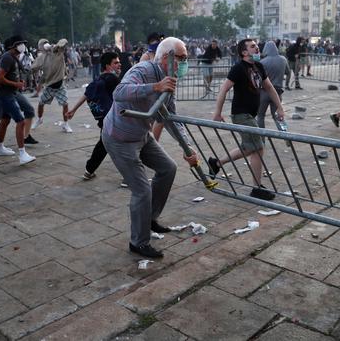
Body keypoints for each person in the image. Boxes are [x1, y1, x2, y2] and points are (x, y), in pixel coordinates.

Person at [102, 37, 198, 258]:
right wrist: (154, 87)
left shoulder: (170, 78)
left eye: (186, 59)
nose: (184, 63)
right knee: (142, 190)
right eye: (181, 58)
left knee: (168, 168)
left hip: (142, 135)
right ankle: (138, 242)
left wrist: (188, 149)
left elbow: (171, 117)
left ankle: (150, 218)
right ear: (166, 58)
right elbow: (119, 92)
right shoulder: (143, 70)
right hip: (120, 138)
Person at [207, 39, 285, 200]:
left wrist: (280, 107)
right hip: (241, 114)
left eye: (257, 45)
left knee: (248, 148)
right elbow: (224, 88)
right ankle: (256, 188)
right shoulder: (238, 68)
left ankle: (217, 163)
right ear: (244, 52)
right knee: (258, 148)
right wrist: (217, 112)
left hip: (251, 114)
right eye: (252, 46)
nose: (257, 47)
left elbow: (269, 87)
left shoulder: (259, 66)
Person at [66, 52, 121, 180]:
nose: (119, 64)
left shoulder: (98, 80)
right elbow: (124, 95)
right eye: (116, 63)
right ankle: (129, 177)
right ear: (108, 66)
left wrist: (73, 110)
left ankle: (89, 170)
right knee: (124, 146)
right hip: (113, 120)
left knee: (103, 145)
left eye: (118, 62)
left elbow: (86, 95)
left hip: (105, 120)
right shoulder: (112, 79)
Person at [0, 36, 36, 165]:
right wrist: (15, 84)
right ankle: (22, 154)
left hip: (9, 92)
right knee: (20, 121)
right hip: (5, 94)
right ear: (13, 46)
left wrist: (19, 81)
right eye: (20, 43)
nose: (23, 46)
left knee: (5, 120)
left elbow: (16, 72)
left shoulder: (14, 57)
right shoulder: (7, 57)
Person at [34, 39, 73, 133]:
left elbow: (63, 42)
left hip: (59, 85)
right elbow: (37, 69)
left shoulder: (57, 51)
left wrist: (55, 46)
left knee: (65, 104)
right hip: (49, 86)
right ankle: (39, 119)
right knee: (41, 103)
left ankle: (65, 124)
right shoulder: (43, 57)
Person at [257, 41, 289, 128]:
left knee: (260, 116)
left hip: (264, 92)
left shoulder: (262, 62)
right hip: (277, 92)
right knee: (278, 115)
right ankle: (285, 134)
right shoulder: (283, 59)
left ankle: (261, 139)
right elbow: (288, 72)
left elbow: (258, 78)